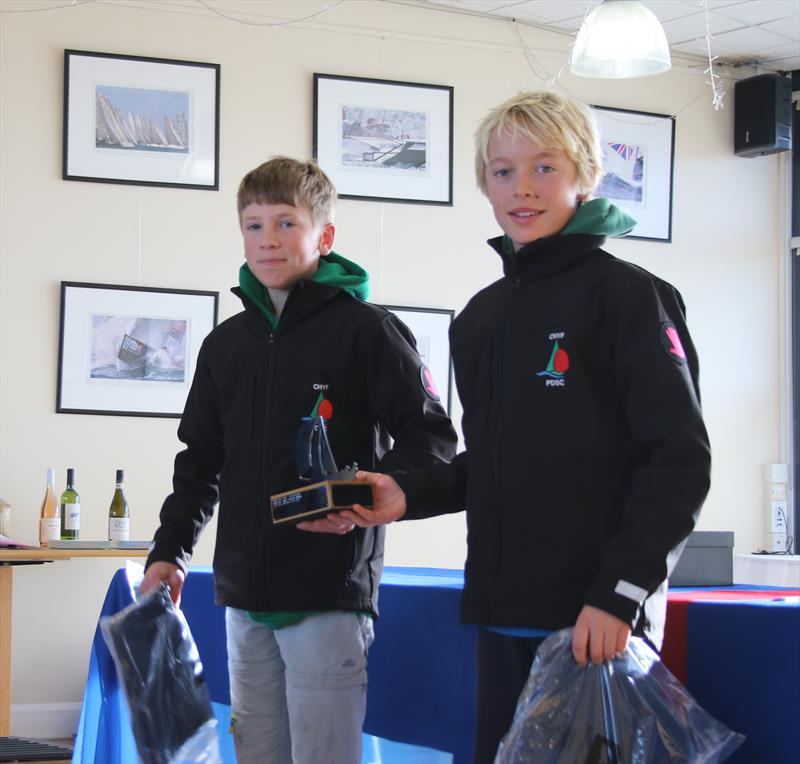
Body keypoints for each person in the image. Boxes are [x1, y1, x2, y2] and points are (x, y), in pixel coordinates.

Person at [315, 91, 711, 763]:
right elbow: (497, 460)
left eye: (544, 167)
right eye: (503, 171)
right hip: (502, 613)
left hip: (596, 620)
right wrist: (407, 494)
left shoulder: (629, 297)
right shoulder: (481, 318)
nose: (521, 188)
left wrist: (620, 596)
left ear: (584, 175)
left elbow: (679, 461)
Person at [141, 156, 457, 764]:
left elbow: (433, 437)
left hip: (327, 591)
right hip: (243, 594)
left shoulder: (369, 331)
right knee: (257, 753)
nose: (268, 241)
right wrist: (170, 551)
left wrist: (370, 495)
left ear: (324, 236)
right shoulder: (224, 345)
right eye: (254, 225)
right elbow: (200, 461)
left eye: (286, 223)